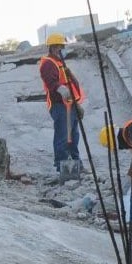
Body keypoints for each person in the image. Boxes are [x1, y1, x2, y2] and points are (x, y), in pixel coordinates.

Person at [38, 33, 85, 174]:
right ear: (53, 48)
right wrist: (61, 90)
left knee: (73, 137)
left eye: (63, 46)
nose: (62, 49)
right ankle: (62, 166)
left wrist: (77, 104)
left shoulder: (60, 63)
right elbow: (52, 83)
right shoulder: (48, 63)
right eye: (60, 46)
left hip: (70, 105)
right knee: (63, 137)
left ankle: (76, 165)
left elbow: (70, 85)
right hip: (60, 106)